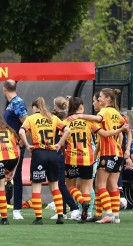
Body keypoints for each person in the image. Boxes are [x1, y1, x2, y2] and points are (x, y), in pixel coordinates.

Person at [67, 88, 129, 224]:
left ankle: (108, 213)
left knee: (99, 184)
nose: (98, 100)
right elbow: (127, 130)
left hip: (106, 153)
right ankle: (114, 216)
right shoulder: (117, 114)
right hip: (117, 153)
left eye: (99, 97)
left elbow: (101, 125)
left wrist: (79, 116)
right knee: (112, 186)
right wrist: (127, 151)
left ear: (107, 98)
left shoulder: (104, 112)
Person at [19, 97, 70, 225]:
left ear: (33, 108)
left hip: (39, 153)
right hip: (52, 153)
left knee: (37, 186)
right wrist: (59, 144)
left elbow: (21, 132)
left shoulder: (30, 119)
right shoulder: (53, 118)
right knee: (55, 186)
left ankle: (39, 218)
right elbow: (67, 130)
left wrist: (27, 145)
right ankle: (60, 215)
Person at [0, 80, 28, 220]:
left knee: (16, 175)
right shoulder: (11, 104)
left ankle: (16, 209)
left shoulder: (18, 102)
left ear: (4, 89)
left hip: (15, 146)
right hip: (7, 147)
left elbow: (27, 123)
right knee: (0, 176)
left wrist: (21, 141)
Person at [51, 96, 80, 220]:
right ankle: (62, 211)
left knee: (61, 184)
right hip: (67, 153)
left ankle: (74, 208)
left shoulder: (56, 119)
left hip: (60, 153)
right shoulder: (69, 118)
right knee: (61, 183)